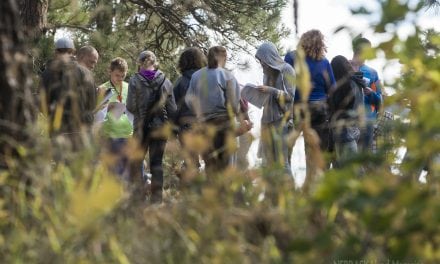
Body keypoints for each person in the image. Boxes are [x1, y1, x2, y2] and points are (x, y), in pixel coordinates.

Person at [185, 46, 246, 174]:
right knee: (227, 167)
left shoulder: (196, 76)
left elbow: (189, 100)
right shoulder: (228, 76)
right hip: (225, 126)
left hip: (205, 127)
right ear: (222, 58)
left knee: (210, 166)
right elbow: (234, 106)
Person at [126, 50, 177, 203]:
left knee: (136, 162)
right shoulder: (165, 81)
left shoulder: (134, 80)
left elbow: (130, 105)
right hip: (160, 128)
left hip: (141, 128)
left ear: (139, 63)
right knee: (156, 164)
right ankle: (156, 201)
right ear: (155, 63)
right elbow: (172, 108)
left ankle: (137, 198)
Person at [285, 29, 336, 178]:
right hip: (320, 110)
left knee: (287, 149)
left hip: (298, 108)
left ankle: (287, 184)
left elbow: (284, 80)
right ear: (321, 44)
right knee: (315, 152)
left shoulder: (291, 57)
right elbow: (332, 88)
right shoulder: (325, 62)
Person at [40, 37, 97, 148]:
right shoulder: (86, 73)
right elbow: (92, 104)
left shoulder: (47, 74)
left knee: (61, 165)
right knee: (81, 165)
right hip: (82, 132)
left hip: (58, 132)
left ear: (55, 52)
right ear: (73, 52)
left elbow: (42, 105)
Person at [253, 41, 295, 176]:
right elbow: (268, 97)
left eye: (262, 61)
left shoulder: (287, 69)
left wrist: (270, 90)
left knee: (282, 163)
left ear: (269, 57)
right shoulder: (266, 73)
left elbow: (290, 96)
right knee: (268, 162)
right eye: (260, 61)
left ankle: (289, 194)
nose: (262, 64)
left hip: (281, 120)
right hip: (266, 120)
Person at [173, 47, 207, 179]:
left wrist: (173, 130)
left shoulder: (180, 82)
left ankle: (189, 191)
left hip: (186, 128)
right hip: (206, 126)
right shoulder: (207, 80)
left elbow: (173, 108)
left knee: (190, 163)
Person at [99, 57, 133, 179]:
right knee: (113, 173)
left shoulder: (129, 87)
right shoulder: (103, 89)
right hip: (110, 136)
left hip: (128, 135)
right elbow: (97, 114)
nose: (119, 79)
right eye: (117, 75)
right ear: (110, 72)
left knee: (127, 174)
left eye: (123, 76)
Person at [329, 55, 365, 166]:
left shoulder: (344, 86)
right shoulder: (358, 83)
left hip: (343, 132)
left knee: (351, 171)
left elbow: (338, 110)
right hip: (355, 129)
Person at [350, 37, 383, 153]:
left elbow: (381, 102)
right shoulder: (343, 66)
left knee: (364, 161)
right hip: (348, 122)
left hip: (367, 124)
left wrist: (371, 93)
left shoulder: (373, 73)